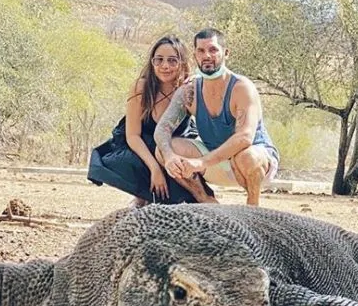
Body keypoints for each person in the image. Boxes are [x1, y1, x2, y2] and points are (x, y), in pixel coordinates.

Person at [153, 27, 279, 206]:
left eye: (213, 50)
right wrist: (169, 156)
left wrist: (200, 162)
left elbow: (245, 138)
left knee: (246, 155)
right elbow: (162, 129)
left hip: (252, 163)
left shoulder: (242, 88)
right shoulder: (189, 91)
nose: (207, 56)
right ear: (195, 54)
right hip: (214, 160)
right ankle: (206, 200)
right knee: (163, 149)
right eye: (201, 50)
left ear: (225, 53)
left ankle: (253, 208)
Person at [88, 35, 213, 206]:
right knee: (135, 165)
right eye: (159, 60)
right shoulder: (141, 87)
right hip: (140, 146)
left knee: (187, 192)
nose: (165, 66)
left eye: (172, 60)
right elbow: (132, 136)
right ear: (152, 62)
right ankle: (142, 196)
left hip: (173, 147)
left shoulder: (188, 88)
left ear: (182, 63)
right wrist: (155, 169)